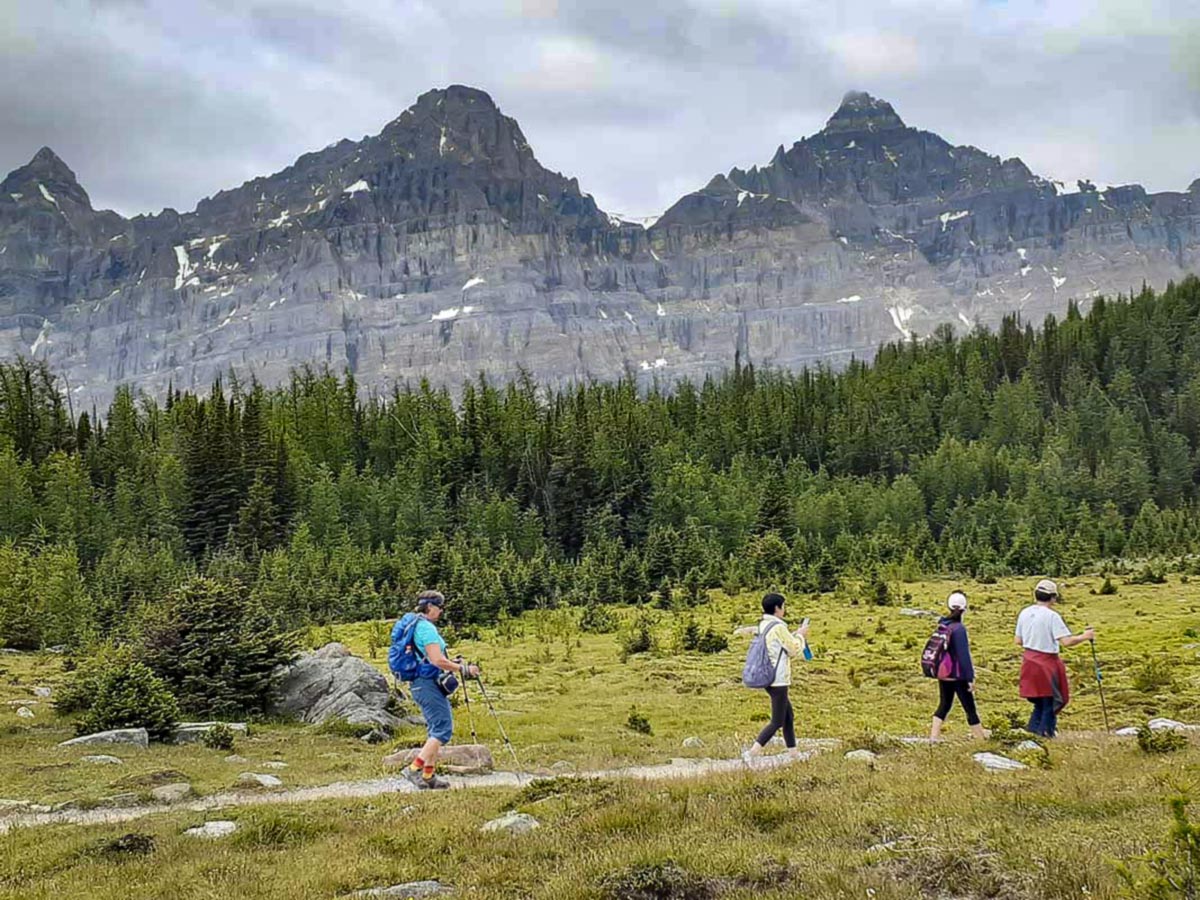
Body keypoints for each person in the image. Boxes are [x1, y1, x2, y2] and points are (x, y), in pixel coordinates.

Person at [393, 590, 479, 790]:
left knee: (435, 728)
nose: (441, 612)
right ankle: (413, 769)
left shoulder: (416, 626)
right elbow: (437, 660)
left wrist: (452, 663)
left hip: (422, 682)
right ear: (430, 607)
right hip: (428, 683)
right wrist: (463, 668)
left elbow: (432, 658)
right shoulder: (426, 629)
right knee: (442, 729)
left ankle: (429, 776)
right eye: (440, 608)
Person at [1014, 579, 1095, 738]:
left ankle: (1032, 735)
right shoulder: (1052, 616)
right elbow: (1066, 641)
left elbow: (1018, 640)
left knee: (1040, 703)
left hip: (1029, 661)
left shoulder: (1024, 612)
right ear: (1053, 597)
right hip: (1046, 663)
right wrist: (1085, 636)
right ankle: (1044, 735)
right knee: (1051, 701)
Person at [745, 592, 810, 760]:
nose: (784, 609)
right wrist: (801, 636)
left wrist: (794, 635)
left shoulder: (763, 625)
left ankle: (793, 753)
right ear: (777, 608)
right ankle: (752, 753)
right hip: (778, 678)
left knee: (788, 716)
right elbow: (793, 650)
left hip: (767, 675)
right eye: (783, 606)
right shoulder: (779, 627)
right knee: (777, 721)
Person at [929, 591, 989, 742]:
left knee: (944, 704)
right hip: (958, 674)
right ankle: (980, 739)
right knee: (970, 708)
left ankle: (933, 738)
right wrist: (969, 677)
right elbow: (964, 656)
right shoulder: (959, 629)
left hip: (944, 672)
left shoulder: (943, 624)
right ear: (964, 608)